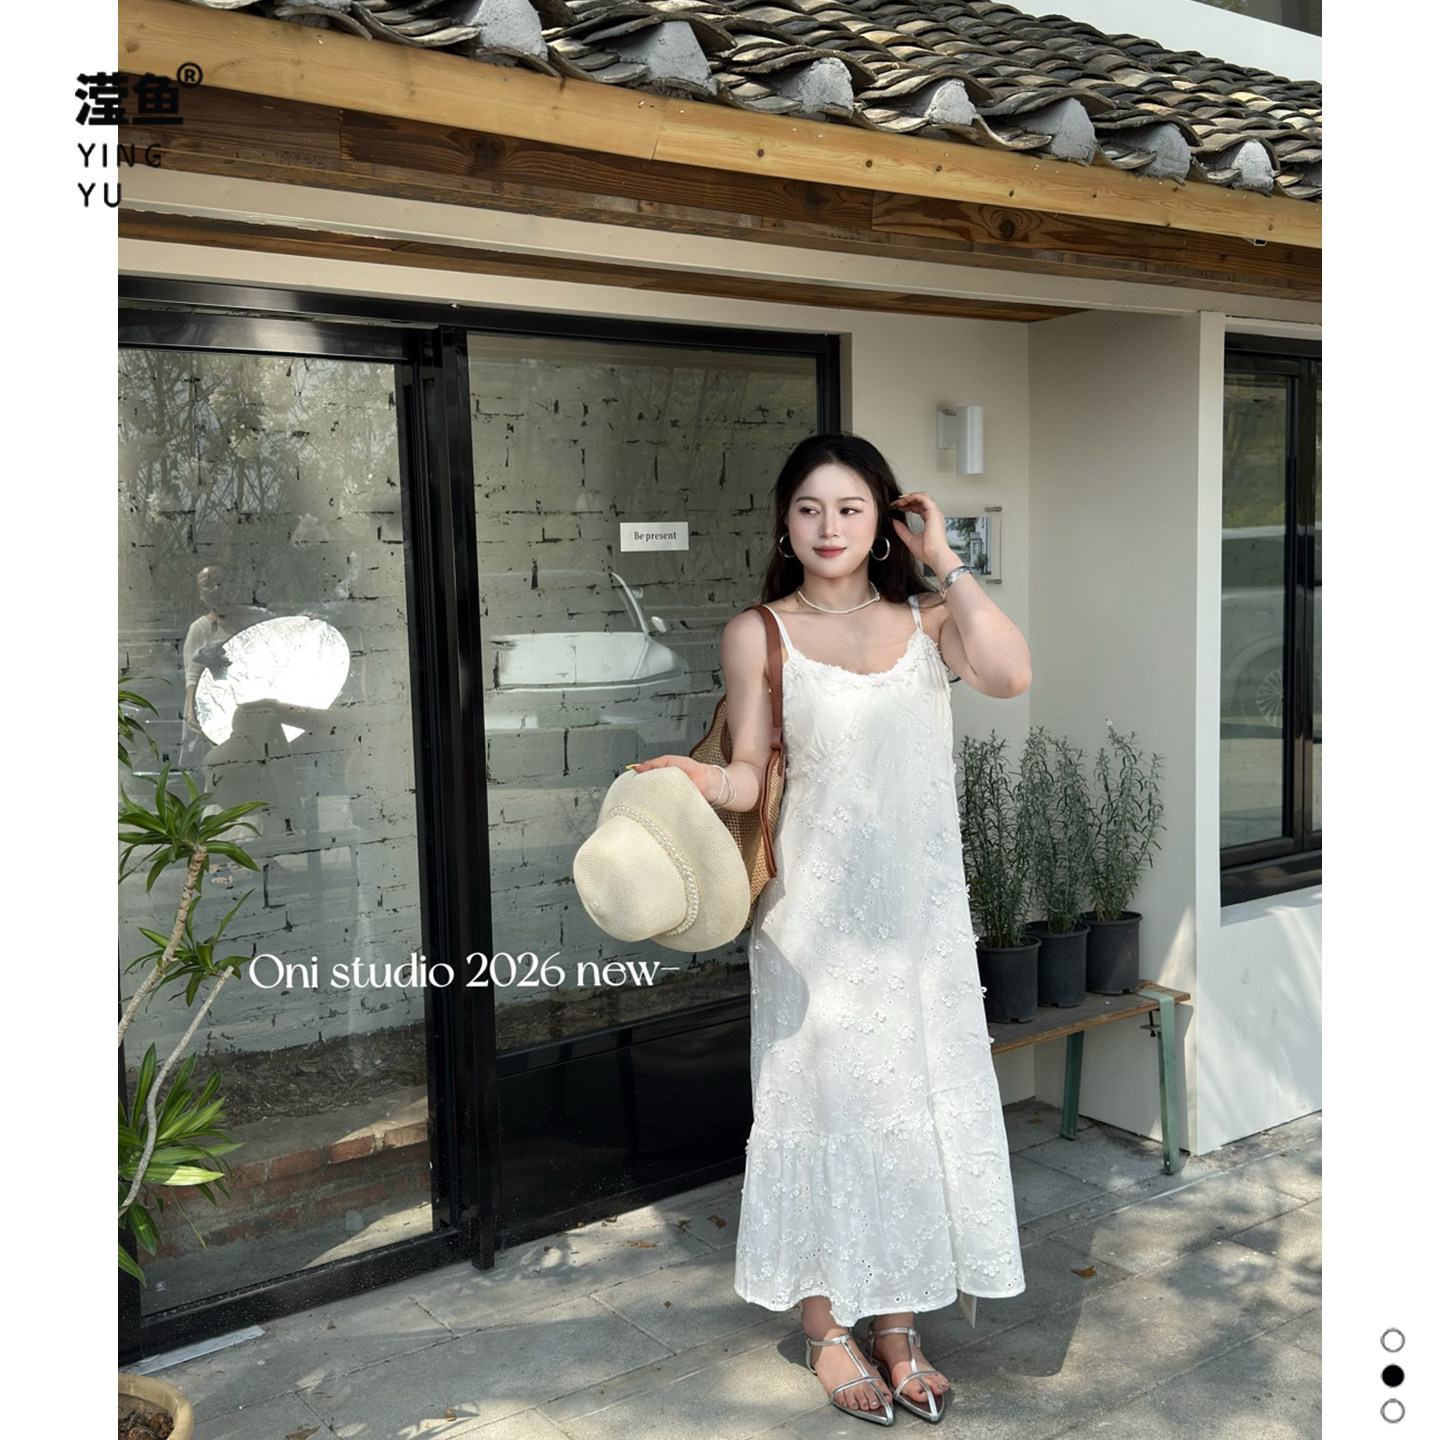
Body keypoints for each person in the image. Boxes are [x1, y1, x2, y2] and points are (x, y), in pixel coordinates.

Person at [634, 433, 1029, 1426]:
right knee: (821, 1112)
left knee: (906, 1114)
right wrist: (693, 779)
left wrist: (947, 562)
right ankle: (824, 1327)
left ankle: (896, 1325)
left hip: (921, 924)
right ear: (785, 521)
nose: (828, 526)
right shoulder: (759, 631)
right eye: (809, 508)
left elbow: (1011, 674)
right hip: (812, 927)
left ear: (883, 521)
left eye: (850, 508)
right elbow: (749, 775)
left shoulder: (928, 620)